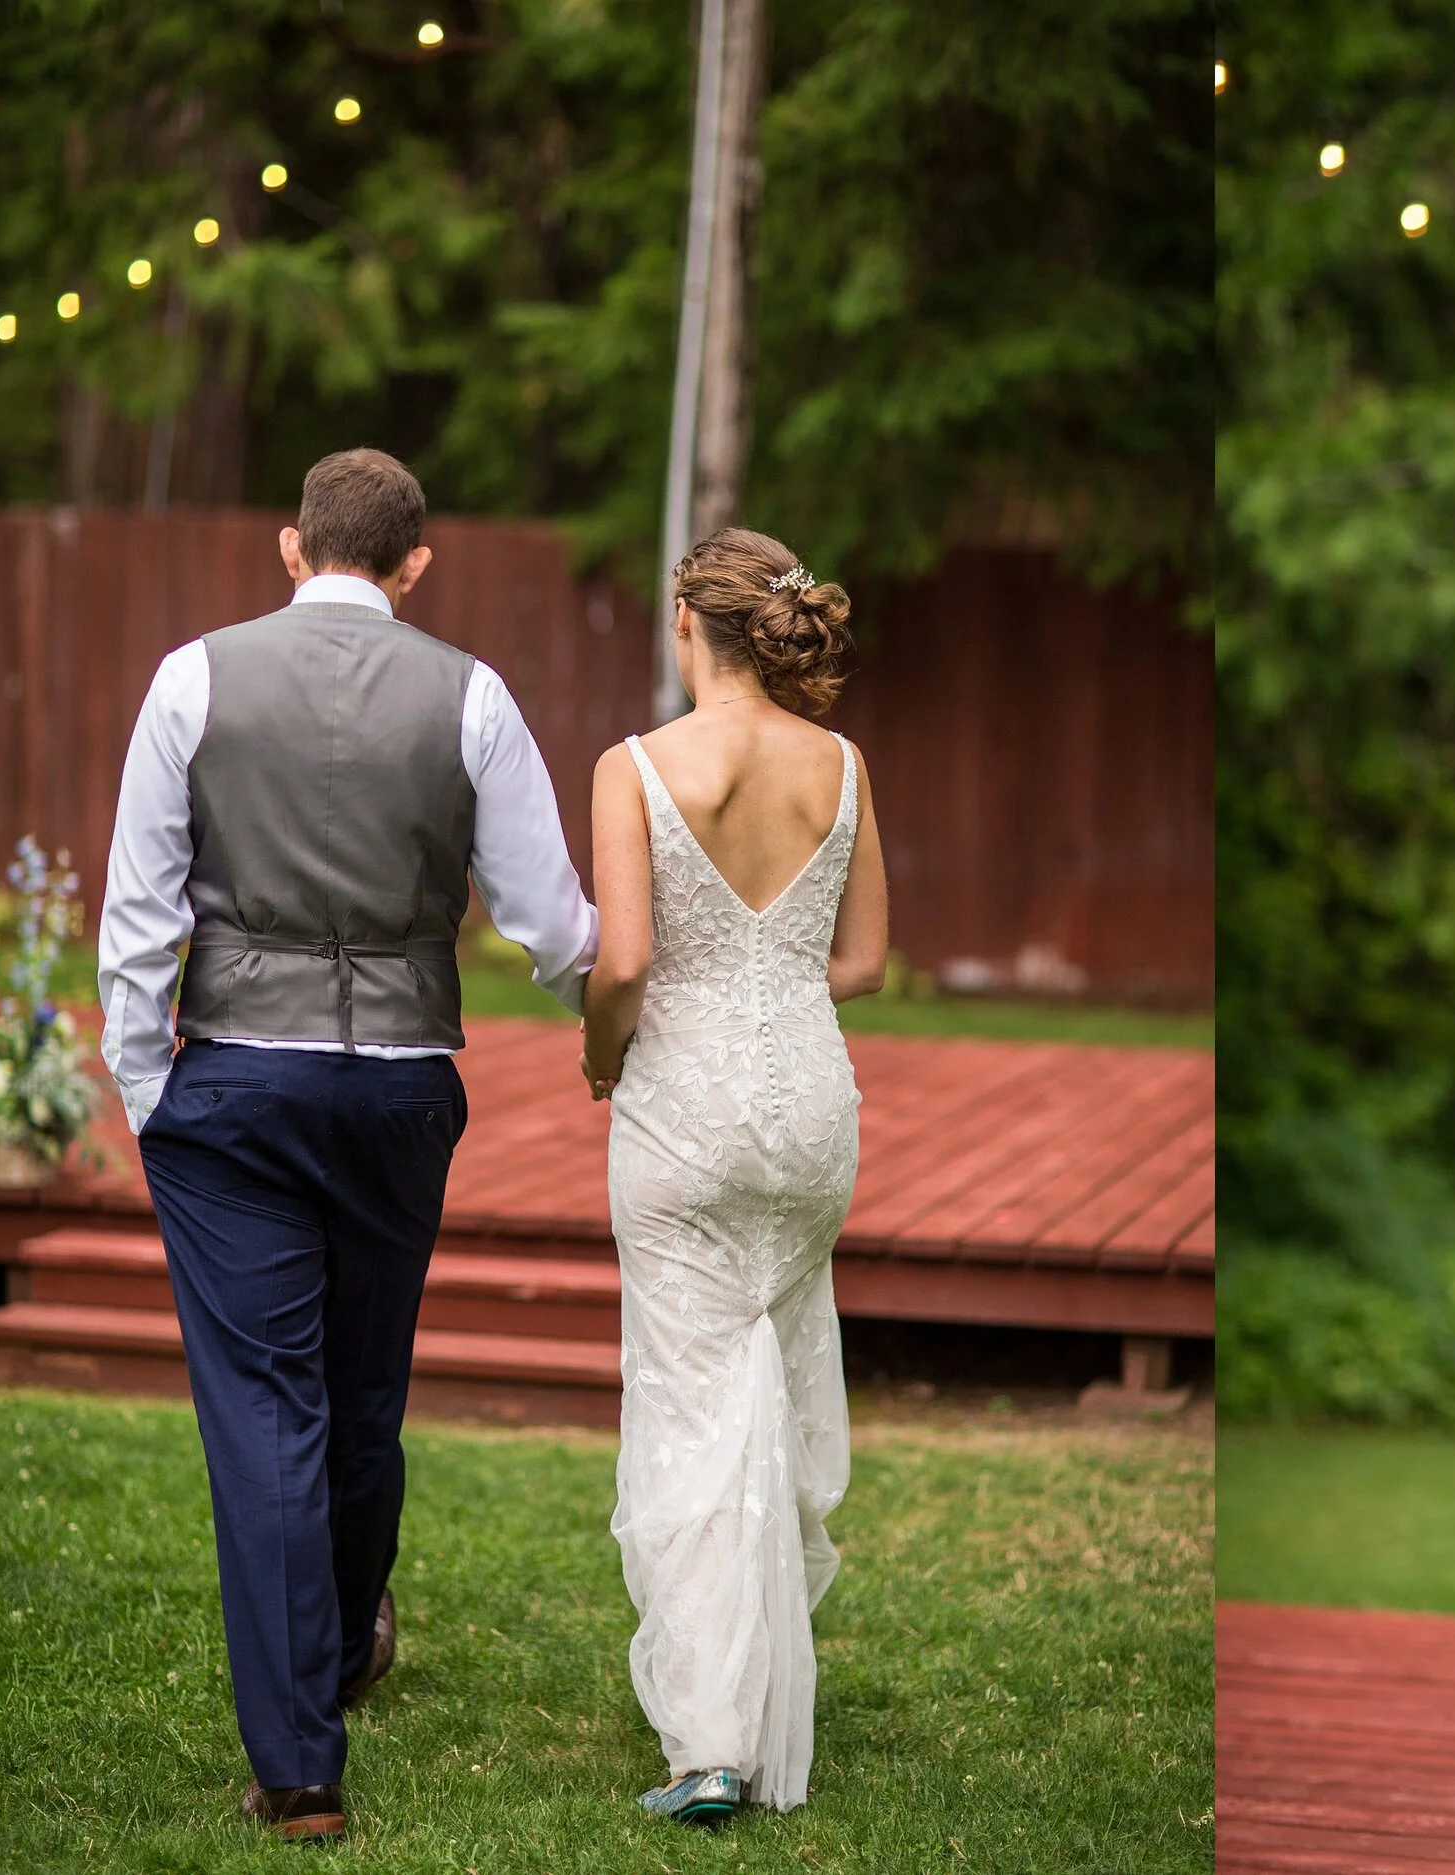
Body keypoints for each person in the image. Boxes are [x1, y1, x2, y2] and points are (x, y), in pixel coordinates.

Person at [99, 448, 599, 1843]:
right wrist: (624, 1018)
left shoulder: (192, 679)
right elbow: (553, 926)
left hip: (234, 1089)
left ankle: (300, 1764)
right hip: (398, 1090)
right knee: (365, 1391)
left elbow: (139, 912)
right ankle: (340, 1648)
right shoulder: (473, 695)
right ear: (414, 562)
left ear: (290, 546)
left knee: (269, 1408)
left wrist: (144, 1088)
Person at [582, 526, 889, 1825]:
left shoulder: (635, 766)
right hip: (810, 1110)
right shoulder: (843, 764)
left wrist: (602, 1056)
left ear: (686, 625)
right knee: (770, 1371)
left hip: (684, 1112)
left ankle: (710, 1740)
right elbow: (863, 961)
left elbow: (625, 965)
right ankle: (751, 1689)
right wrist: (769, 996)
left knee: (687, 1405)